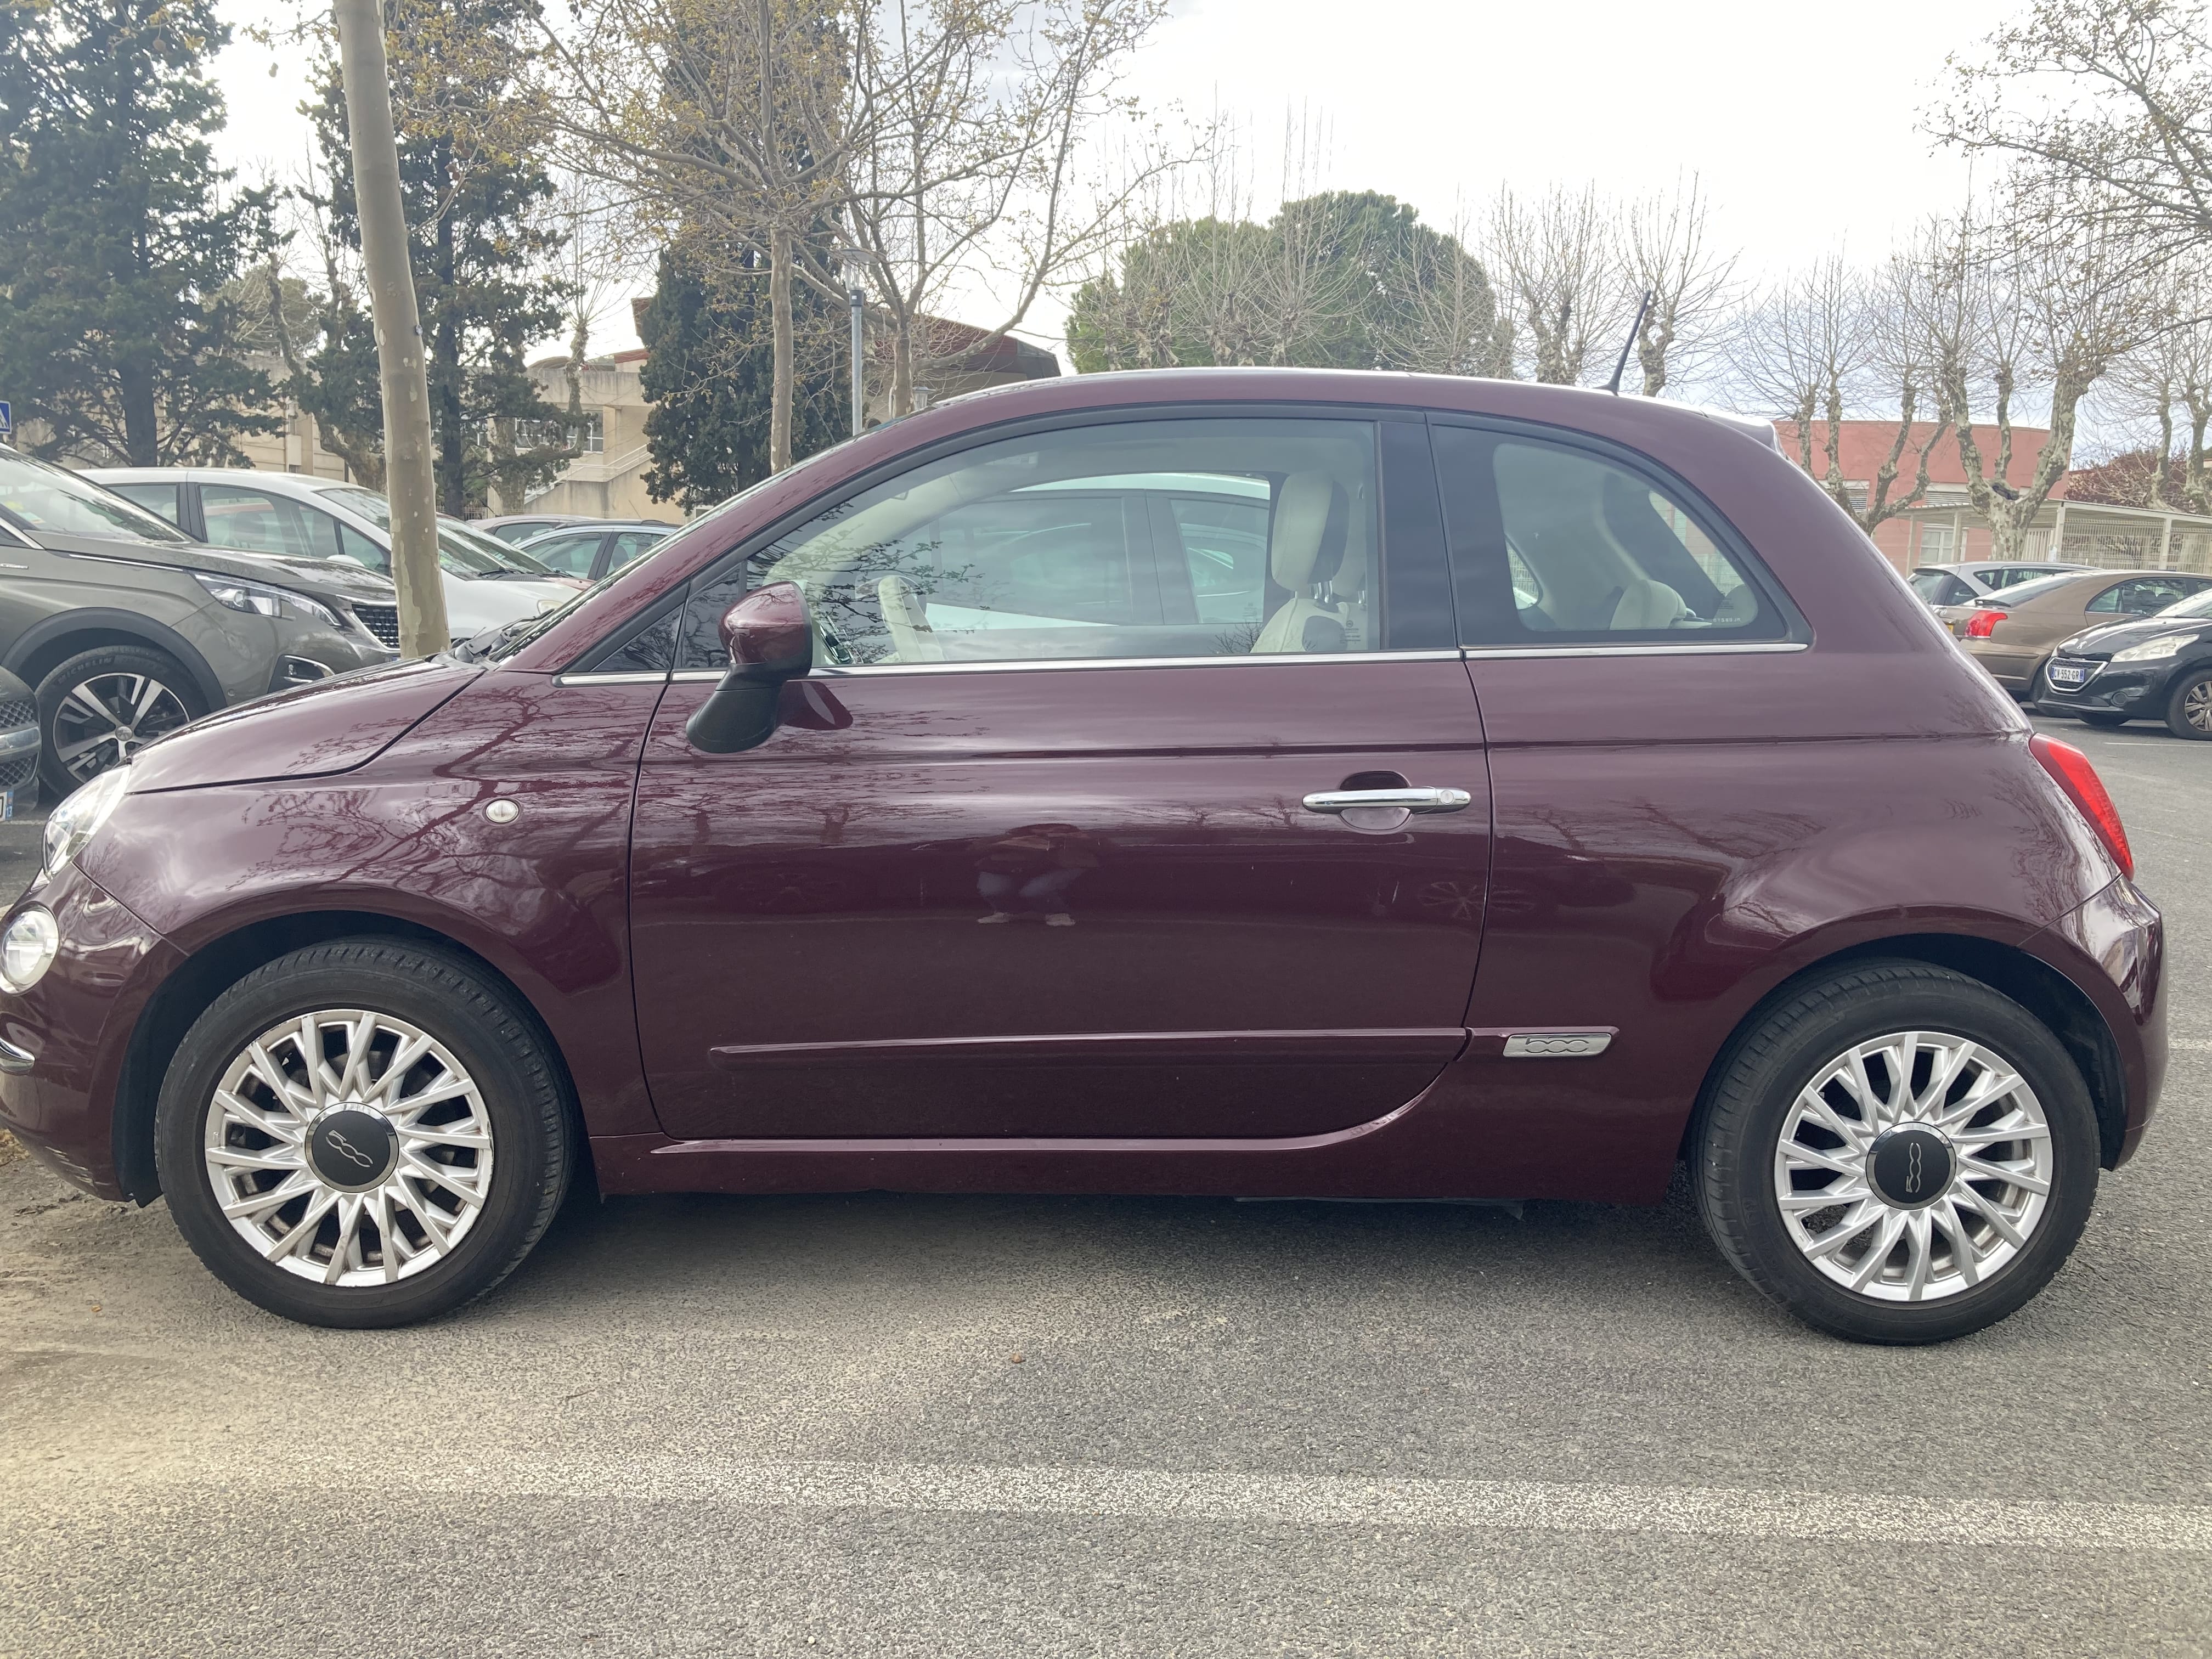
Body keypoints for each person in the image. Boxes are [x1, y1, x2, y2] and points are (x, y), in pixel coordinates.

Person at [973, 823, 1099, 927]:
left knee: (1035, 890)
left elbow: (1105, 847)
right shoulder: (1009, 832)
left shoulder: (1075, 832)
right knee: (992, 889)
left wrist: (1066, 841)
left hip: (1060, 866)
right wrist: (1014, 843)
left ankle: (1057, 913)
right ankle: (1006, 910)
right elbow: (976, 847)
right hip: (1012, 866)